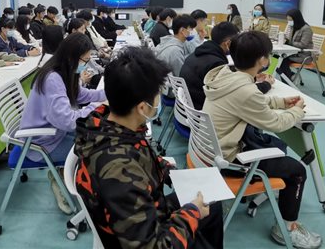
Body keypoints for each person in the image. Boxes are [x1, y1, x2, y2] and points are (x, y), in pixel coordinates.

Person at [75, 46, 224, 249]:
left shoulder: (108, 125)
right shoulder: (119, 170)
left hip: (146, 210)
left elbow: (140, 158)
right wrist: (193, 213)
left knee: (212, 204)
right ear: (142, 107)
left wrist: (168, 170)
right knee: (206, 210)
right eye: (157, 94)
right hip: (146, 237)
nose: (159, 100)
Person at [202, 31, 321, 249]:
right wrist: (297, 110)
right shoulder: (245, 90)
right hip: (228, 160)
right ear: (262, 60)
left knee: (275, 146)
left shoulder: (224, 74)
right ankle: (287, 229)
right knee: (297, 171)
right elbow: (276, 123)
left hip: (207, 152)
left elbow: (248, 101)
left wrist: (281, 102)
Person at [19, 33, 106, 213]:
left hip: (55, 131)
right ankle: (62, 180)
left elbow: (80, 95)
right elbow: (68, 121)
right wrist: (98, 107)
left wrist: (108, 93)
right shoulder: (53, 79)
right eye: (85, 60)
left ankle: (60, 174)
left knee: (97, 135)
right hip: (42, 142)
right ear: (72, 57)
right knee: (95, 148)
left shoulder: (64, 71)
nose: (86, 63)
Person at [180, 22, 273, 110]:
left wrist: (250, 76)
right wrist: (266, 84)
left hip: (190, 105)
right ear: (228, 43)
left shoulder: (202, 52)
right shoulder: (216, 63)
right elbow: (238, 94)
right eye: (237, 41)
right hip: (201, 111)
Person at [277, 9, 314, 81]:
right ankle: (290, 75)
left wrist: (289, 42)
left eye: (290, 20)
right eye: (288, 20)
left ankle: (287, 82)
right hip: (293, 52)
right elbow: (291, 40)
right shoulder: (293, 26)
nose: (289, 22)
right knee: (276, 57)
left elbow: (303, 44)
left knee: (282, 60)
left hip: (303, 55)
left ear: (296, 19)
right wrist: (285, 39)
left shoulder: (306, 29)